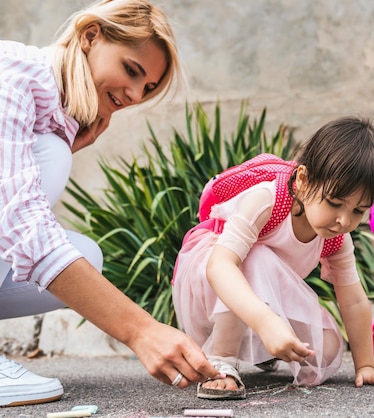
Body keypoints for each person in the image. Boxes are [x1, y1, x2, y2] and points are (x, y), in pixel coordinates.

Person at [0, 0, 220, 408]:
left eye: (148, 87)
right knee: (49, 155)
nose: (135, 94)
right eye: (132, 70)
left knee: (87, 254)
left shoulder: (52, 114)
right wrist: (141, 330)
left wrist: (69, 139)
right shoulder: (10, 77)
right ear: (90, 36)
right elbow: (22, 226)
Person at [172, 116, 374, 400]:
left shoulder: (335, 235)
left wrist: (365, 364)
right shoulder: (267, 201)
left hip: (261, 301)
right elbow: (219, 266)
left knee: (326, 349)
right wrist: (266, 322)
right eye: (334, 203)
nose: (344, 220)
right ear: (304, 181)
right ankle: (221, 357)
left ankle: (262, 347)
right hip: (212, 286)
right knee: (256, 256)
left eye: (358, 211)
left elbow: (353, 298)